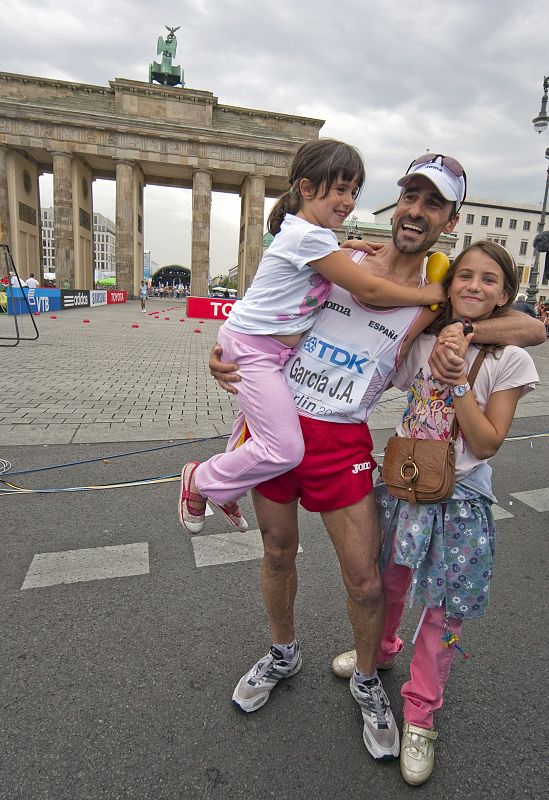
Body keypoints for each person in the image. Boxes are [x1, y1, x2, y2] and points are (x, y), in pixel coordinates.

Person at [209, 154, 545, 760]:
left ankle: (368, 679)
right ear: (398, 201)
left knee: (366, 582)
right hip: (279, 417)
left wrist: (458, 331)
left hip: (342, 440)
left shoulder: (436, 300)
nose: (416, 211)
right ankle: (283, 653)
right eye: (410, 196)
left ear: (449, 218)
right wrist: (227, 353)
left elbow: (530, 330)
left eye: (433, 203)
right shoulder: (345, 257)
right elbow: (267, 307)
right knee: (278, 551)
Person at [333, 241, 538, 785]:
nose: (473, 286)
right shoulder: (425, 342)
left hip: (461, 500)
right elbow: (375, 345)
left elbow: (489, 442)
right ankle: (377, 648)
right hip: (403, 487)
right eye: (464, 276)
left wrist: (460, 382)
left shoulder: (511, 359)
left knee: (446, 613)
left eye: (489, 280)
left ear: (506, 296)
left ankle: (421, 713)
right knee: (390, 583)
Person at [178, 139, 446, 536]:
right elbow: (370, 290)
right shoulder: (310, 238)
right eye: (339, 189)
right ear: (305, 188)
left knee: (264, 435)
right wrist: (426, 295)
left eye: (354, 191)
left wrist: (347, 245)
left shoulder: (313, 236)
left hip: (272, 357)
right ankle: (201, 479)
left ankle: (226, 484)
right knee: (284, 448)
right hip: (257, 350)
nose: (348, 201)